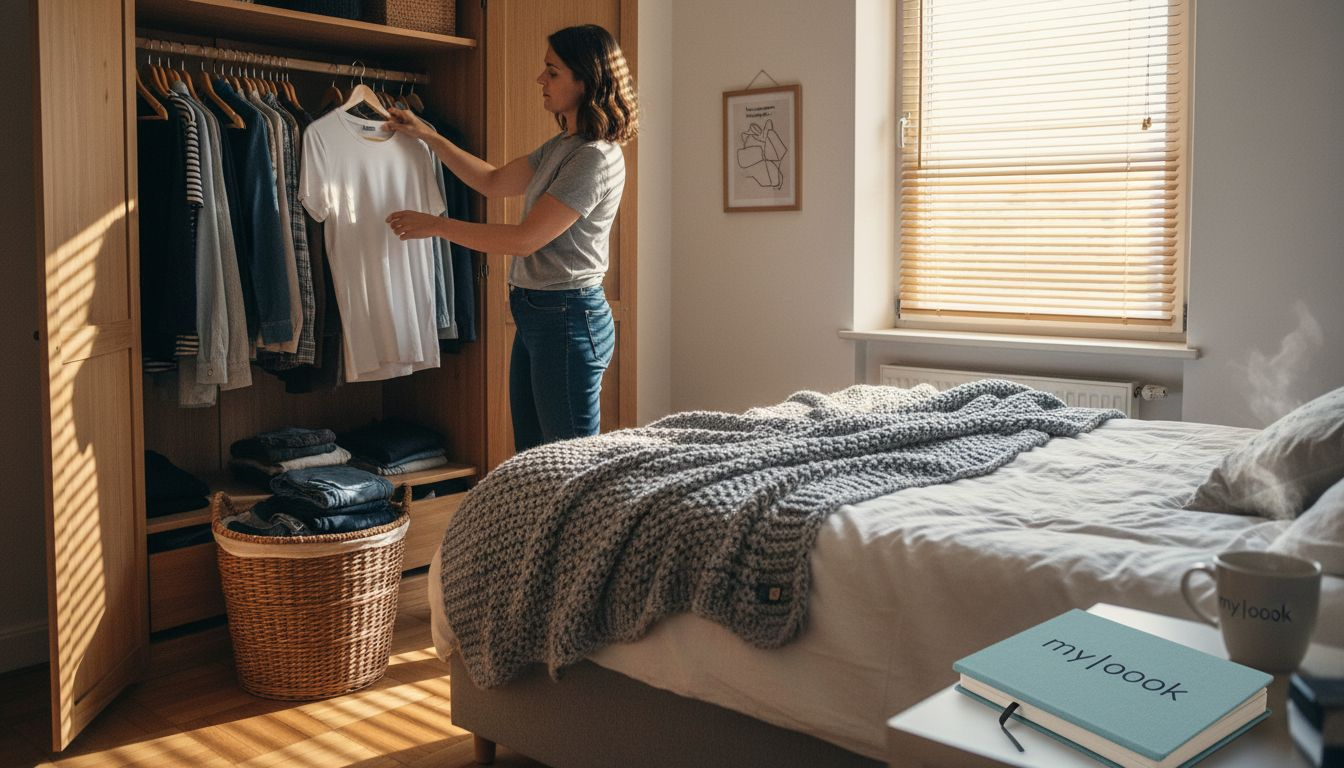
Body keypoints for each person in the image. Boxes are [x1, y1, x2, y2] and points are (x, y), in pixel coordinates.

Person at [384, 24, 638, 453]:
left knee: (567, 463)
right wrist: (428, 135)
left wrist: (437, 226)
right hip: (539, 312)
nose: (541, 80)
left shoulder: (594, 158)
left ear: (585, 79)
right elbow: (493, 181)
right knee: (532, 459)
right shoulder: (563, 145)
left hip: (568, 315)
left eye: (552, 72)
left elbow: (525, 240)